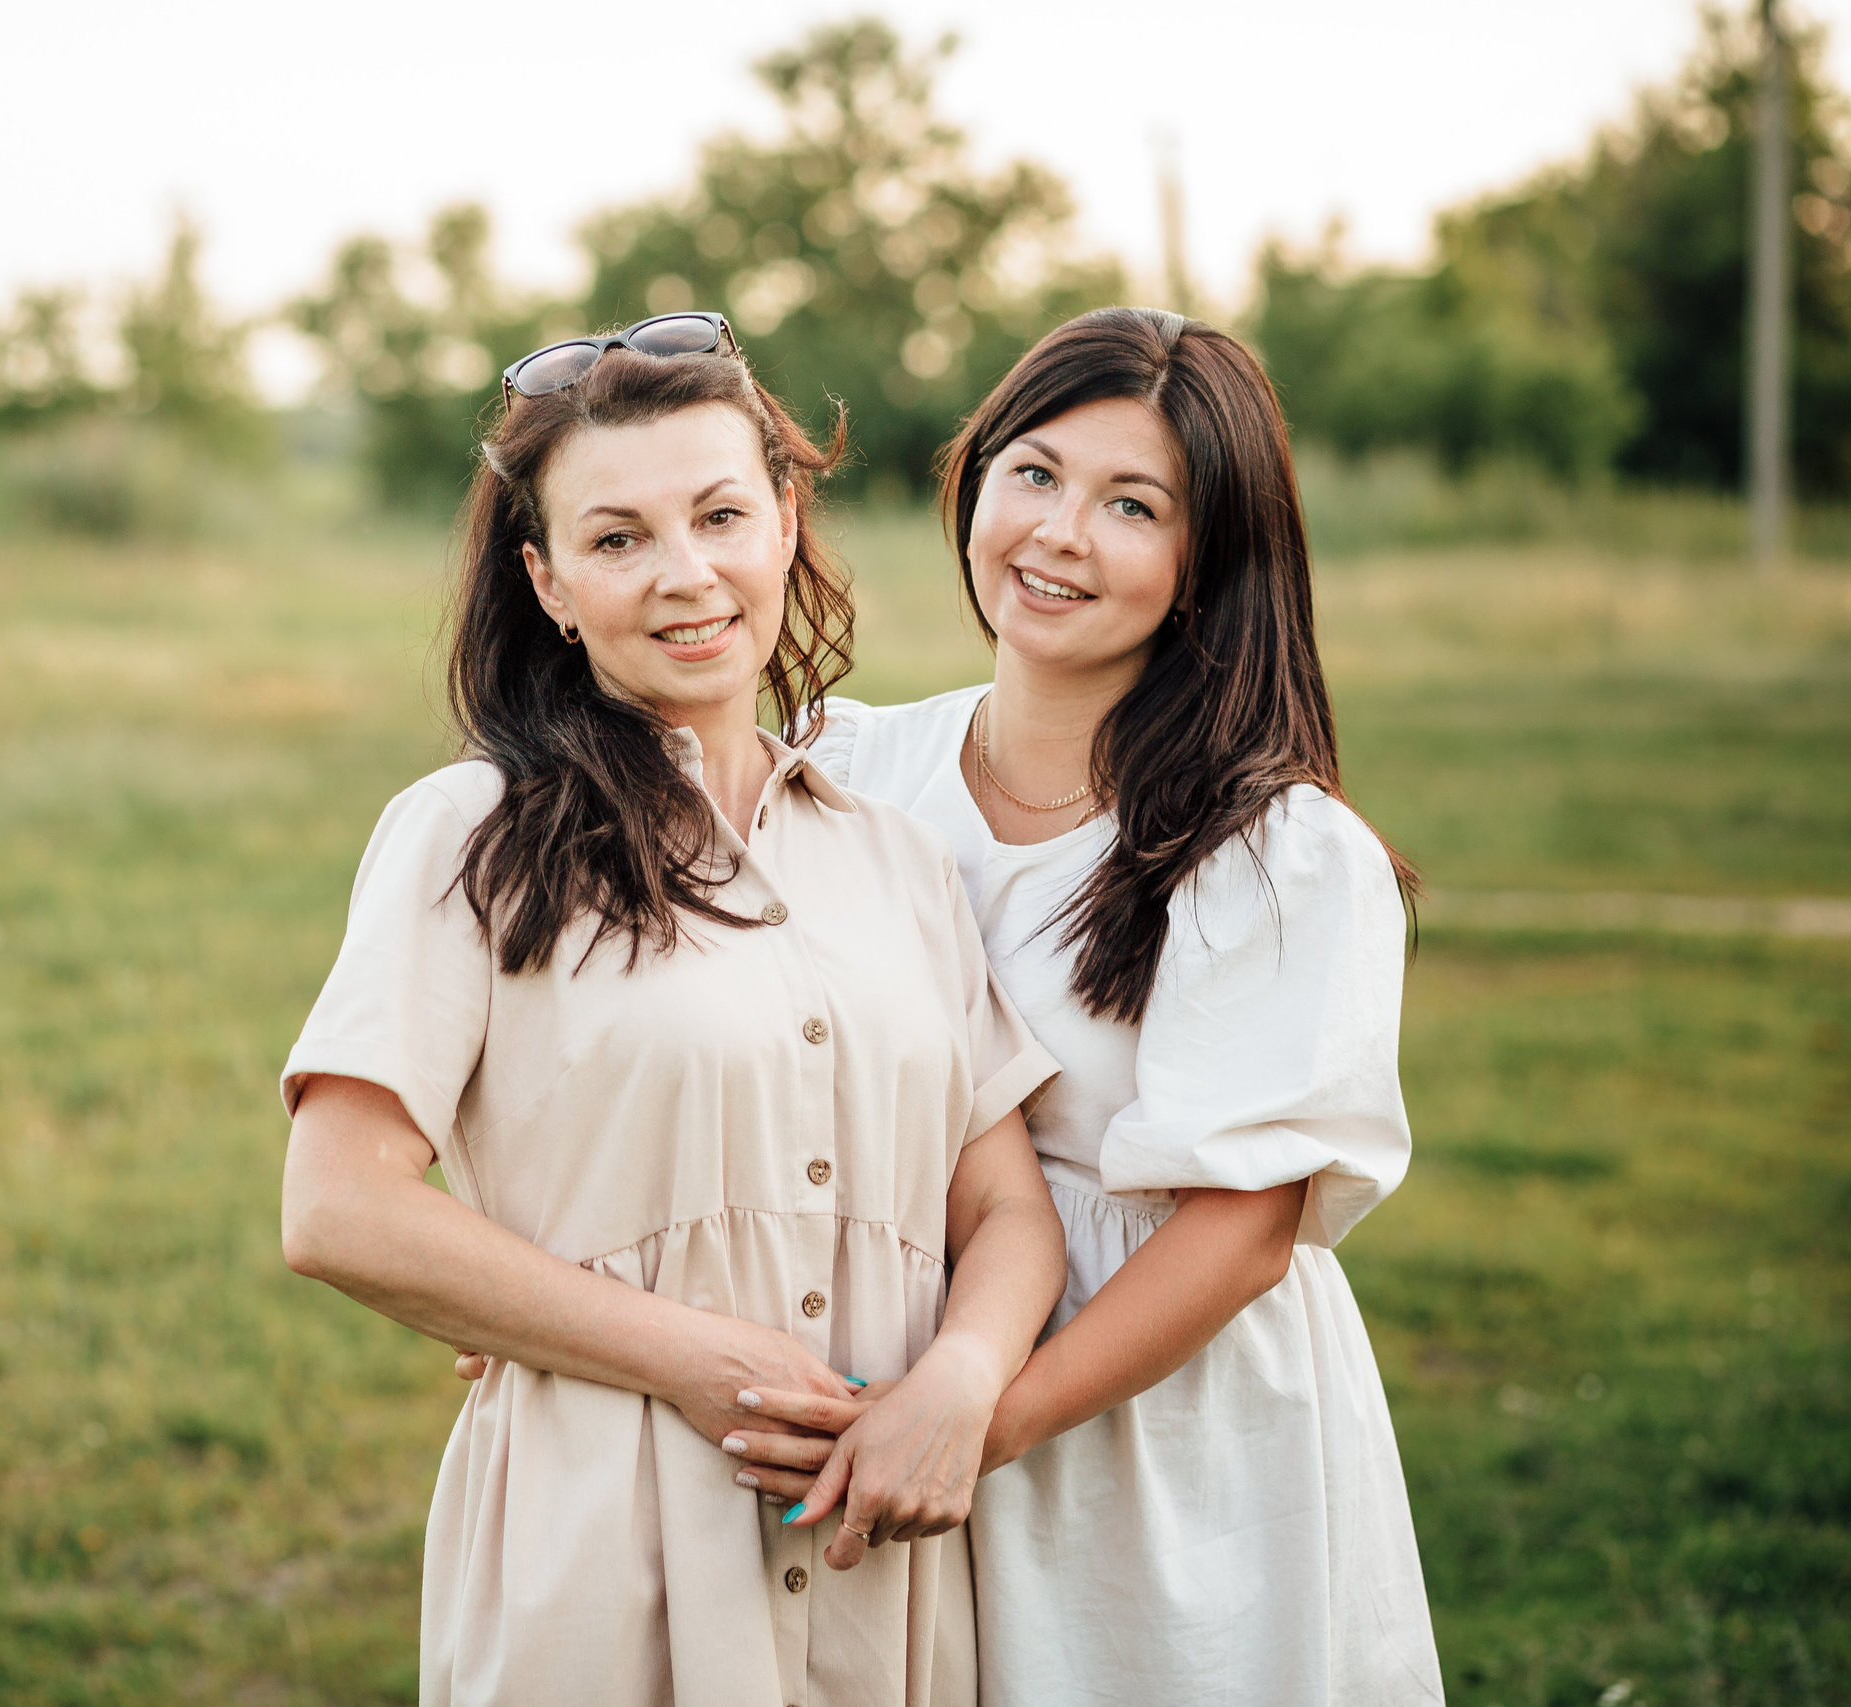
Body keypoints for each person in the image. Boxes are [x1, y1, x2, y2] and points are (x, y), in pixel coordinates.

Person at [277, 314, 1068, 1707]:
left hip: (881, 1559)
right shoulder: (472, 834)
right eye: (619, 538)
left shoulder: (893, 856)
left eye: (719, 516)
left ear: (785, 524)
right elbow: (341, 1208)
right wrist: (702, 1362)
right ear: (549, 583)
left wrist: (963, 1379)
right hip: (603, 1545)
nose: (685, 575)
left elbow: (1002, 1208)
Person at [728, 307, 1445, 1704]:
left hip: (1148, 1426)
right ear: (976, 480)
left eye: (1133, 505)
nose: (1059, 534)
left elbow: (1241, 1233)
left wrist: (979, 1420)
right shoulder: (845, 764)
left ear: (1205, 562)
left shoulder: (1274, 855)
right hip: (883, 1364)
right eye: (1036, 474)